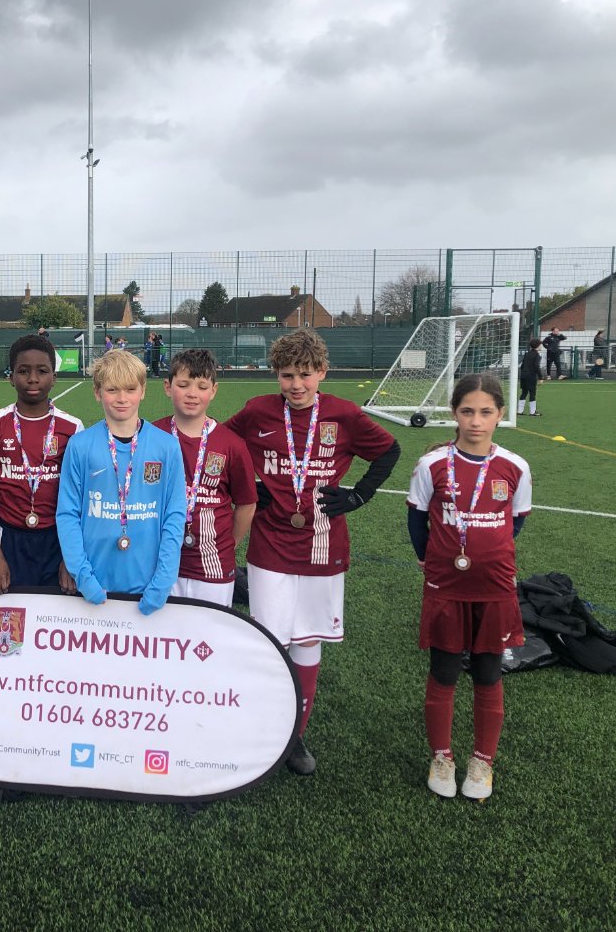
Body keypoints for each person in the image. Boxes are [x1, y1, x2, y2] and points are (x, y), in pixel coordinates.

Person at [225, 328, 400, 776]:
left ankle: (294, 736)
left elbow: (388, 450)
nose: (296, 385)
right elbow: (222, 447)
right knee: (269, 640)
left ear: (322, 372)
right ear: (275, 375)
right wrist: (251, 489)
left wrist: (360, 495)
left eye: (305, 374)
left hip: (324, 545)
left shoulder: (344, 414)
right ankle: (260, 730)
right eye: (286, 375)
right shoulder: (258, 411)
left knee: (308, 641)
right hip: (270, 546)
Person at [407, 374, 531, 801]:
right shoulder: (432, 464)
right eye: (467, 412)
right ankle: (442, 755)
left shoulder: (515, 467)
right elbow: (416, 519)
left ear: (500, 414)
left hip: (495, 586)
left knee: (487, 672)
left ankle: (482, 761)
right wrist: (432, 559)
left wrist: (487, 551)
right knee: (443, 670)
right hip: (445, 584)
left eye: (485, 412)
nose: (475, 422)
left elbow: (516, 522)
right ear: (454, 413)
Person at [56, 350, 186, 617]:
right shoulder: (80, 446)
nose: (122, 398)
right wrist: (83, 577)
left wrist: (163, 581)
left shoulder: (167, 446)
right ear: (97, 392)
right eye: (112, 390)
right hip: (94, 586)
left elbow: (174, 516)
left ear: (143, 391)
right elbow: (68, 514)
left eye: (130, 389)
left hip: (149, 585)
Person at [0, 335, 84, 592]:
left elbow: (79, 498)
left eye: (42, 371)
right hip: (10, 538)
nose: (33, 379)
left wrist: (71, 555)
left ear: (54, 378)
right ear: (11, 377)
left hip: (57, 538)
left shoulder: (73, 428)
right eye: (23, 371)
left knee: (56, 620)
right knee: (9, 626)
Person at [153, 349, 256, 606]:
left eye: (202, 386)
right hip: (159, 561)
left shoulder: (231, 444)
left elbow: (246, 503)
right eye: (183, 384)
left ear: (214, 390)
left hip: (213, 564)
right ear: (168, 387)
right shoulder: (151, 436)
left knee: (211, 640)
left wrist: (228, 543)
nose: (192, 393)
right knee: (163, 637)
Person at [517, 339, 545, 416]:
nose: (541, 346)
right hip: (531, 376)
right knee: (532, 393)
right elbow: (536, 367)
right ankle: (532, 412)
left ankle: (520, 411)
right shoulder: (537, 355)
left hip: (523, 375)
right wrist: (540, 378)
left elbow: (522, 366)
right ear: (537, 346)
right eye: (540, 344)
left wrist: (522, 375)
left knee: (524, 392)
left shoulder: (527, 354)